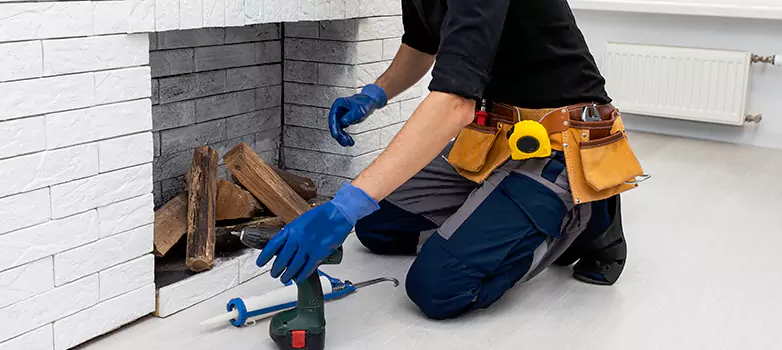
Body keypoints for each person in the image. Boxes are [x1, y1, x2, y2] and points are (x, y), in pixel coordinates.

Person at [257, 0, 643, 320]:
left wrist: (342, 208)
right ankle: (495, 213)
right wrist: (374, 94)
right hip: (499, 140)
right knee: (375, 226)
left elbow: (455, 104)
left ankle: (593, 216)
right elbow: (422, 43)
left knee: (438, 287)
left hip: (561, 142)